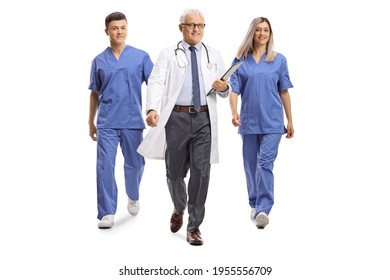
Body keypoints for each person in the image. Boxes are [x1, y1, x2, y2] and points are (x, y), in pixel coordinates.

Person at [137, 9, 230, 245]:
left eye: (200, 25)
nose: (196, 29)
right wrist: (151, 109)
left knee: (202, 172)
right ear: (181, 28)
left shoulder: (214, 54)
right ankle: (179, 206)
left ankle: (194, 227)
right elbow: (157, 82)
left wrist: (222, 88)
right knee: (175, 173)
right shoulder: (168, 54)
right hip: (176, 119)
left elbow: (225, 88)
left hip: (203, 120)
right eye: (191, 25)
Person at [88, 12, 154, 229]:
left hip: (132, 121)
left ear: (127, 29)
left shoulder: (141, 57)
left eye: (123, 27)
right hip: (106, 122)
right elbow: (94, 93)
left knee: (135, 164)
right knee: (104, 167)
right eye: (115, 28)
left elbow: (155, 85)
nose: (119, 32)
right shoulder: (98, 61)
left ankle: (133, 195)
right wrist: (91, 122)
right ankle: (106, 212)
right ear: (107, 31)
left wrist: (153, 109)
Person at [229, 17, 294, 229]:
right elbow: (234, 90)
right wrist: (234, 112)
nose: (262, 33)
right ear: (252, 33)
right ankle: (254, 202)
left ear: (270, 34)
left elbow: (283, 91)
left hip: (273, 122)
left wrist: (290, 120)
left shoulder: (279, 60)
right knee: (250, 164)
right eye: (258, 30)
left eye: (266, 30)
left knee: (265, 163)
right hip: (248, 121)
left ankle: (264, 208)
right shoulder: (240, 60)